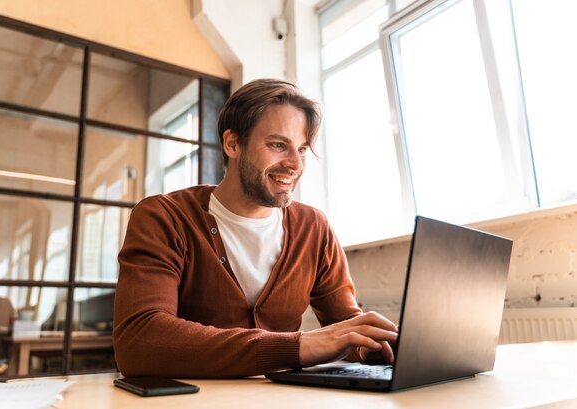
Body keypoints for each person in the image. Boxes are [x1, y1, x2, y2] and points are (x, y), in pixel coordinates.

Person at [113, 79, 398, 378]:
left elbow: (345, 327)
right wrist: (297, 348)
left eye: (301, 149)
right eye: (278, 145)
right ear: (232, 144)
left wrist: (377, 343)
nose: (295, 164)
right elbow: (139, 341)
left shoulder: (314, 228)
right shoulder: (163, 217)